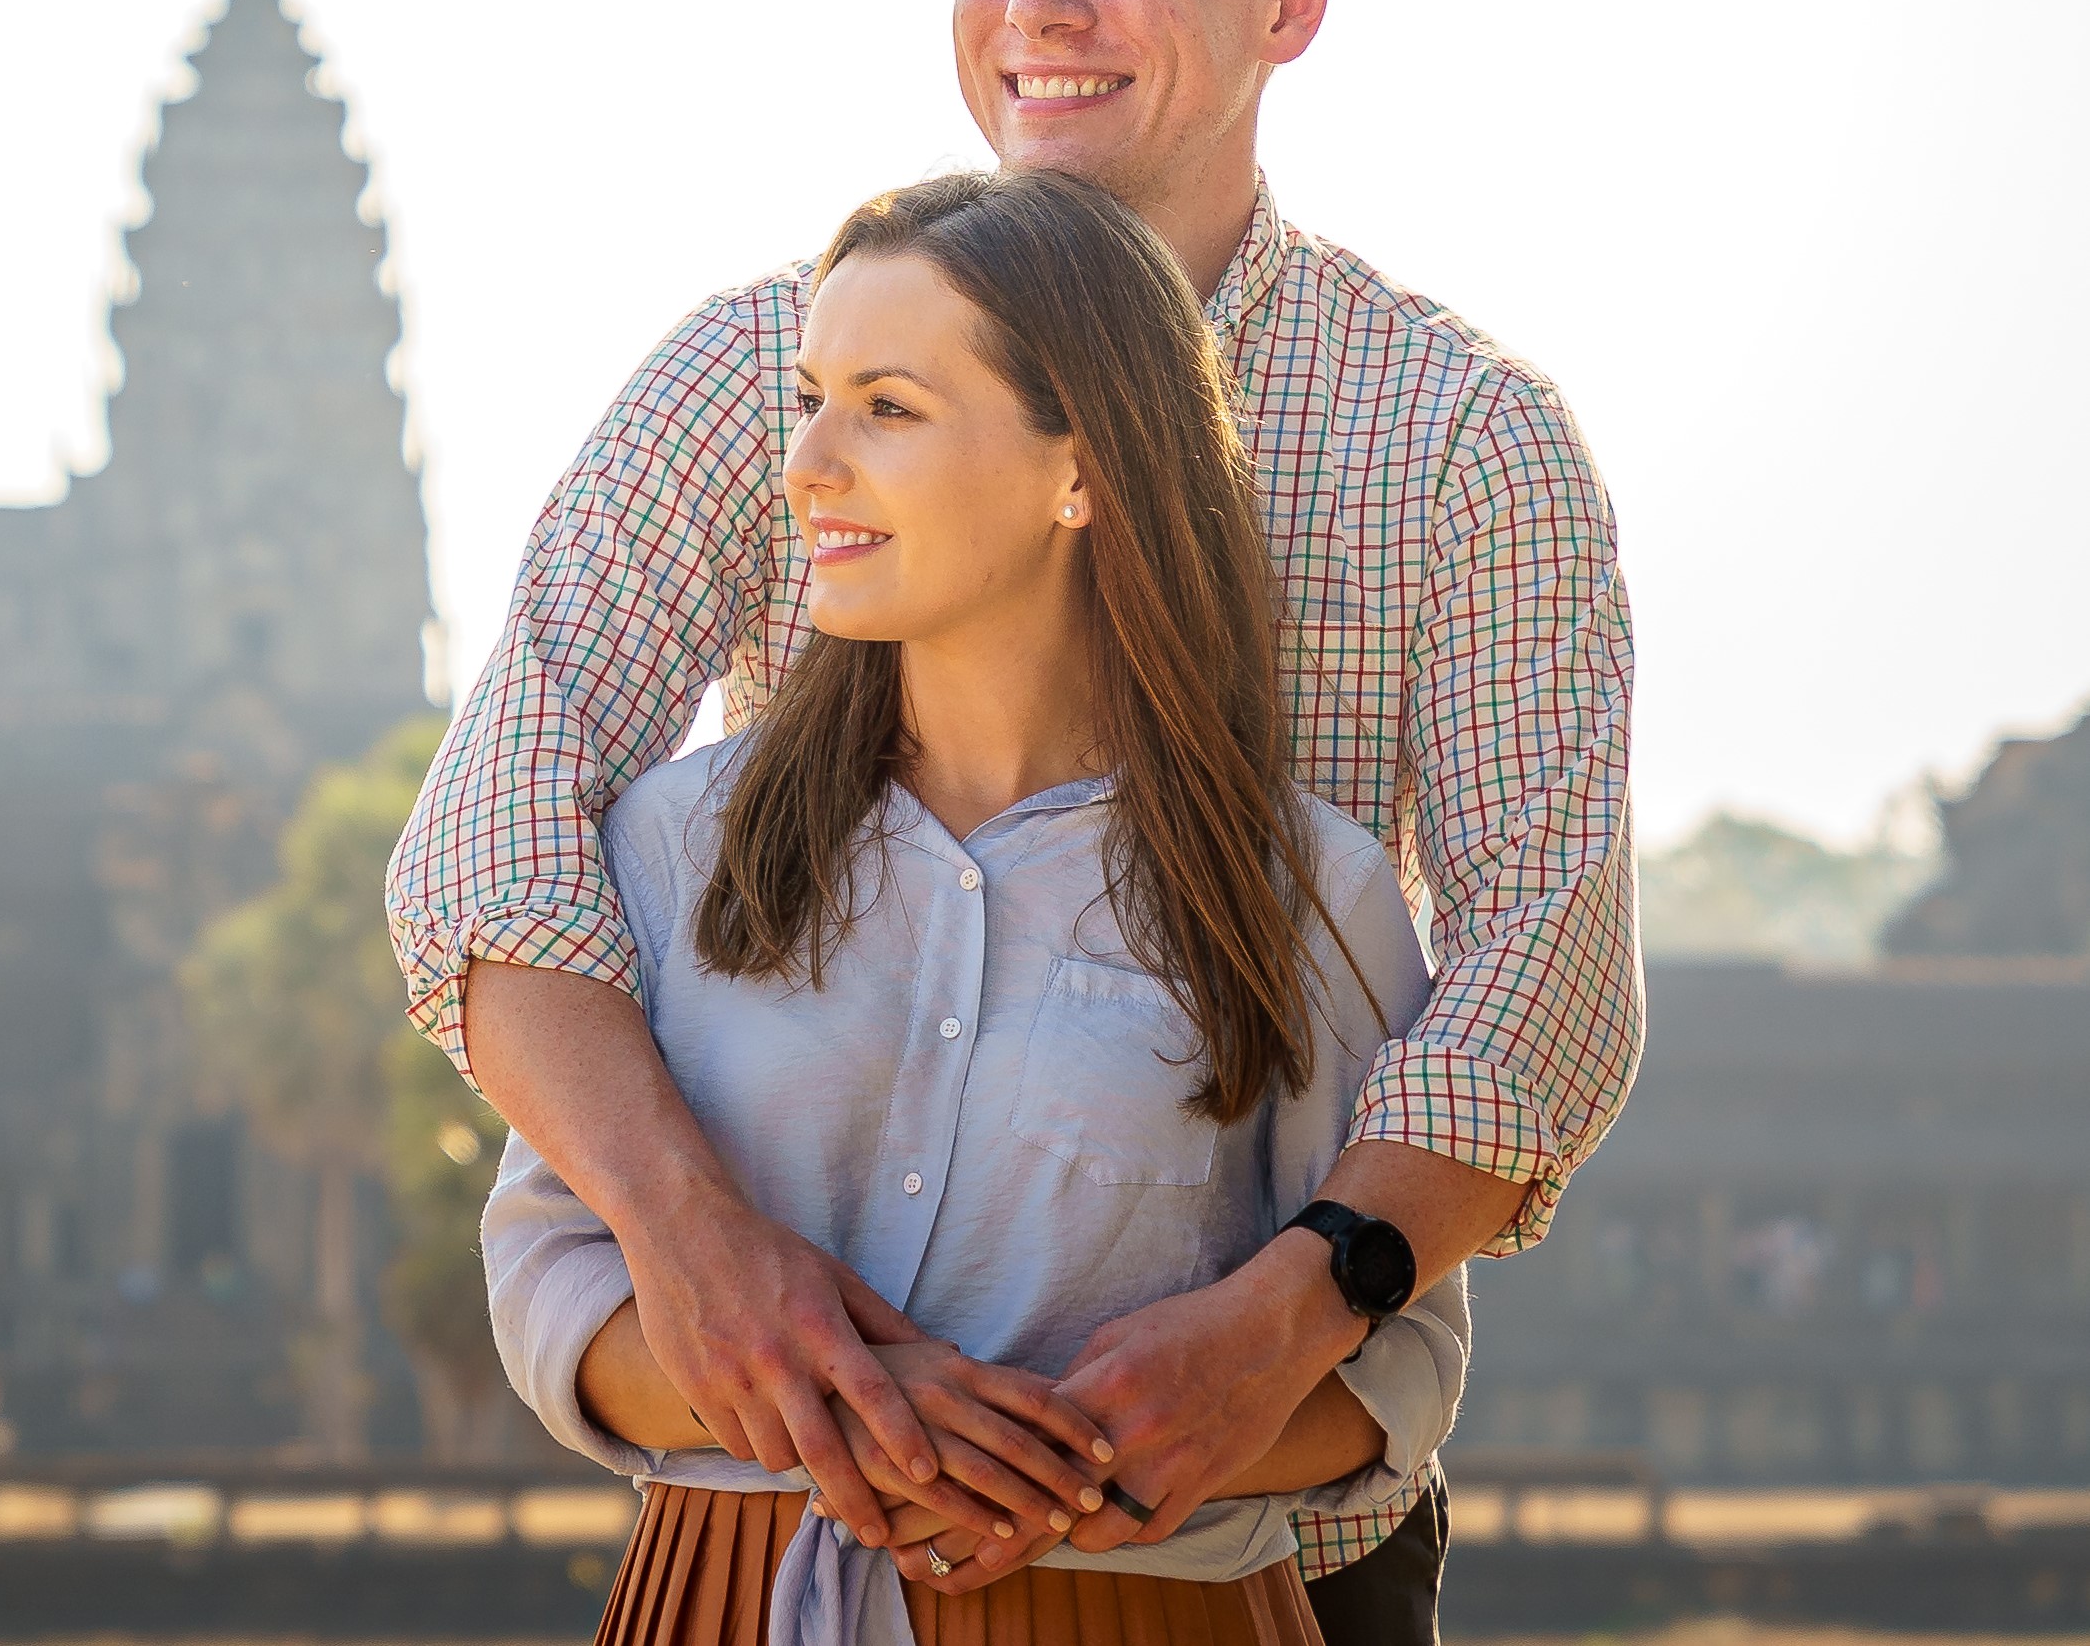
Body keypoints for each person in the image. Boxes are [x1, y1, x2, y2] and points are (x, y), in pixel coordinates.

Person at [386, 0, 1639, 1643]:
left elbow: (1539, 972)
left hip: (1243, 1511)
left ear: (1287, 0)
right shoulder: (755, 370)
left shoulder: (1450, 435)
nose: (1035, 1)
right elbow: (486, 850)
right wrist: (696, 1247)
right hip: (786, 1505)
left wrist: (1274, 1318)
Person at [487, 168, 1463, 1641]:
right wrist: (870, 1420)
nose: (810, 461)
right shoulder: (675, 843)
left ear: (1086, 468)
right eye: (808, 399)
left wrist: (1087, 1461)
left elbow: (1398, 1366)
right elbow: (551, 1283)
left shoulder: (1305, 890)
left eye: (887, 407)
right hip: (725, 1607)